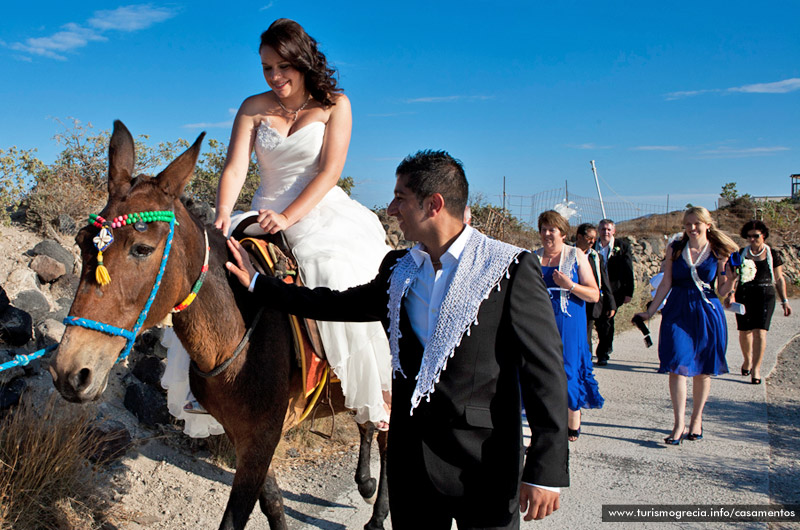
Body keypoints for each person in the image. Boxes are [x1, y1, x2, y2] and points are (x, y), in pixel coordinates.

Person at [226, 150, 569, 528]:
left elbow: (545, 372)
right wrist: (259, 284)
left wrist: (545, 467)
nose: (390, 209)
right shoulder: (398, 269)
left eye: (400, 198)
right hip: (411, 466)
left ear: (433, 204)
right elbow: (335, 304)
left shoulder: (509, 268)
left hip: (484, 464)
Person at [162, 18, 392, 435]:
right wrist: (222, 213)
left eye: (282, 66)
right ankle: (207, 387)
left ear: (302, 62)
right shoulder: (253, 107)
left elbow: (329, 171)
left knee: (336, 269)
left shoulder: (336, 105)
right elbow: (235, 168)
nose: (274, 76)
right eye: (267, 68)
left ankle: (354, 385)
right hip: (262, 208)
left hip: (317, 210)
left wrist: (288, 217)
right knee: (209, 271)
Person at [635, 207, 737, 444]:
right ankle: (678, 423)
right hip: (678, 310)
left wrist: (732, 279)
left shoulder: (719, 251)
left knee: (702, 369)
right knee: (677, 364)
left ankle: (697, 419)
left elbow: (721, 291)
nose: (692, 228)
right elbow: (666, 282)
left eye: (697, 224)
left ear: (707, 225)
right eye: (688, 224)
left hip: (706, 312)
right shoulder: (676, 248)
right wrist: (650, 311)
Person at [536, 212, 603, 442]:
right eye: (543, 229)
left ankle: (573, 418)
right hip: (541, 322)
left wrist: (570, 284)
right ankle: (548, 420)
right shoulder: (533, 258)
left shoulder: (576, 256)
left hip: (569, 321)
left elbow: (594, 294)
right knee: (541, 371)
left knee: (568, 369)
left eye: (551, 230)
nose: (546, 234)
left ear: (563, 233)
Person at [728, 220, 792, 384]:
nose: (752, 239)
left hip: (765, 295)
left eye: (755, 236)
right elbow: (733, 277)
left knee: (760, 331)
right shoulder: (741, 253)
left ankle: (756, 369)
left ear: (763, 235)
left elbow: (778, 278)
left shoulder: (773, 254)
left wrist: (784, 301)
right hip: (745, 294)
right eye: (748, 236)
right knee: (745, 331)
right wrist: (731, 294)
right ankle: (747, 360)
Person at [593, 219, 634, 366]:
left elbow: (629, 269)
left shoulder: (622, 247)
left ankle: (603, 352)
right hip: (595, 288)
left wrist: (629, 291)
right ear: (599, 230)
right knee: (596, 320)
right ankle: (596, 349)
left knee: (607, 320)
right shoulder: (593, 245)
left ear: (614, 231)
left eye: (609, 229)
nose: (606, 232)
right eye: (603, 229)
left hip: (614, 290)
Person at [575, 222, 616, 346]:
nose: (592, 241)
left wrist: (611, 304)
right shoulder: (567, 254)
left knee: (587, 330)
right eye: (589, 238)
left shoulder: (595, 257)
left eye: (594, 238)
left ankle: (586, 359)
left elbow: (604, 281)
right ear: (579, 237)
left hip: (589, 301)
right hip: (573, 299)